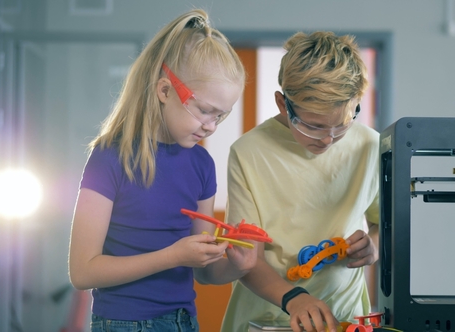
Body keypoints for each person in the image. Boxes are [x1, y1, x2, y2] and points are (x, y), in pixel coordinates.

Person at [68, 9, 256, 332]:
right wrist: (172, 256)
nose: (211, 127)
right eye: (204, 111)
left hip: (184, 322)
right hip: (123, 323)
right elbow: (82, 272)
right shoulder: (110, 156)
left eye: (220, 117)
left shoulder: (202, 165)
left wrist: (235, 267)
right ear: (165, 91)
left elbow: (202, 271)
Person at [221, 31, 380, 332]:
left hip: (344, 318)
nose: (328, 139)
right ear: (283, 104)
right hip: (265, 319)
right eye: (314, 126)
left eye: (342, 124)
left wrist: (373, 246)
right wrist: (294, 298)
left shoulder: (369, 145)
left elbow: (385, 226)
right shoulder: (248, 152)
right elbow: (246, 260)